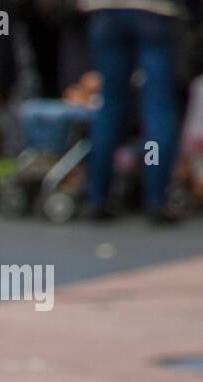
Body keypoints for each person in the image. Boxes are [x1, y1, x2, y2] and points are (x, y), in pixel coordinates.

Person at [79, 0, 189, 221]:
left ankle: (97, 196)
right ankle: (156, 199)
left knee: (109, 105)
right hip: (153, 10)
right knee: (157, 109)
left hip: (105, 11)